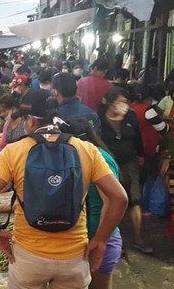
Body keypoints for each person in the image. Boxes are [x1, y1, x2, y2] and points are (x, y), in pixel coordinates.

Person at [0, 89, 128, 288]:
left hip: (28, 257)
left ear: (30, 120)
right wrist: (100, 240)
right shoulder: (86, 149)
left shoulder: (13, 152)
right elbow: (120, 198)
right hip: (74, 257)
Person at [61, 118, 122, 289]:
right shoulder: (74, 156)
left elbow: (112, 200)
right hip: (85, 239)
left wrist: (99, 239)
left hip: (98, 241)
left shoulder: (98, 157)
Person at [99, 86, 150, 254]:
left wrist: (141, 155)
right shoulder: (99, 118)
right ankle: (113, 240)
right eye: (120, 102)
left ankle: (138, 238)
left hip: (130, 163)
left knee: (134, 199)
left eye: (125, 102)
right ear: (110, 103)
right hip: (108, 165)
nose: (124, 105)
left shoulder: (131, 117)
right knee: (113, 199)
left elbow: (137, 138)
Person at [130, 85, 170, 185]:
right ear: (149, 98)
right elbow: (163, 129)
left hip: (131, 149)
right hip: (146, 149)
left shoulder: (130, 108)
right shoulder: (147, 111)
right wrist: (169, 125)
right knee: (146, 178)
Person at [0, 94, 26, 161]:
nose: (2, 114)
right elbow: (2, 145)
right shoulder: (7, 124)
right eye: (0, 112)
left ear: (14, 109)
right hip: (10, 160)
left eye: (4, 111)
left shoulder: (25, 124)